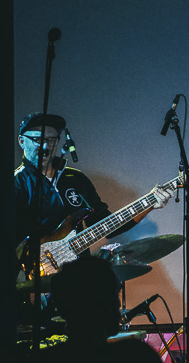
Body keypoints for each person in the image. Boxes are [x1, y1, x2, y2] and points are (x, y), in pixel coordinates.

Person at [13, 113, 172, 329]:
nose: (45, 146)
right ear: (22, 141)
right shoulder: (15, 184)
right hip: (31, 281)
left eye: (50, 140)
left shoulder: (75, 180)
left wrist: (150, 203)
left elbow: (108, 224)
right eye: (37, 139)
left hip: (75, 282)